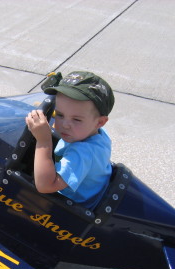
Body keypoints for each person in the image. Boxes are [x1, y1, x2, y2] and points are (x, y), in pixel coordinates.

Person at [25, 71, 115, 209]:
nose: (64, 125)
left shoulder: (82, 153)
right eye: (60, 114)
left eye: (76, 119)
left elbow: (45, 186)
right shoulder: (95, 133)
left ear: (100, 122)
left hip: (71, 206)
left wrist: (43, 141)